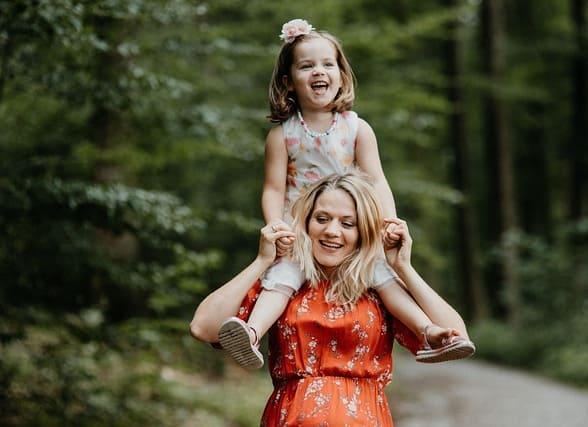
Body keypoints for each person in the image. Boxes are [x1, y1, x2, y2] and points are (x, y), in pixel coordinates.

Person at [216, 18, 475, 370]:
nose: (318, 71)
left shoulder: (357, 128)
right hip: (303, 230)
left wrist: (387, 221)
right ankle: (251, 333)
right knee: (282, 279)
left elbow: (377, 179)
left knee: (383, 277)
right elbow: (274, 188)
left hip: (352, 227)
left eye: (327, 64)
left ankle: (428, 332)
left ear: (341, 75)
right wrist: (277, 226)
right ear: (288, 81)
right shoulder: (282, 136)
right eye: (306, 66)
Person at [190, 171, 475, 426]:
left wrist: (403, 266)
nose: (332, 231)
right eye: (322, 219)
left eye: (347, 223)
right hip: (291, 418)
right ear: (307, 222)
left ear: (363, 231)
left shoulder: (378, 289)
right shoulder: (281, 283)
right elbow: (203, 328)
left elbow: (457, 336)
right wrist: (262, 261)